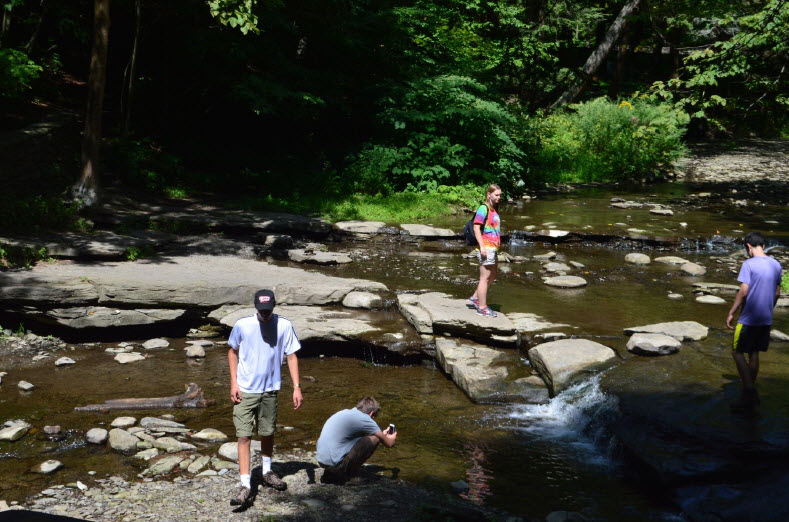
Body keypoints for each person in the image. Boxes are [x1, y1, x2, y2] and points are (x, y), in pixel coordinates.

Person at [228, 289, 303, 507]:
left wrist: (296, 387)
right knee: (244, 435)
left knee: (268, 432)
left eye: (268, 311)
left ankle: (267, 472)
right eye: (261, 311)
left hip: (270, 389)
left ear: (273, 306)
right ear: (255, 308)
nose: (265, 315)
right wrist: (233, 383)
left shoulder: (285, 325)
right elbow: (232, 351)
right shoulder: (243, 325)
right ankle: (245, 485)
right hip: (245, 388)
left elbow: (291, 355)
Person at [726, 232, 783, 410]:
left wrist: (731, 312)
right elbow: (777, 293)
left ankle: (749, 391)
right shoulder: (776, 264)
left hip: (748, 318)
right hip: (765, 318)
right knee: (754, 353)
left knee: (736, 352)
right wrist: (768, 309)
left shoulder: (748, 264)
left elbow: (743, 291)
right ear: (763, 246)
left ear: (749, 246)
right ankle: (748, 394)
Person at [316, 396, 397, 484]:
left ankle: (329, 473)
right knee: (376, 438)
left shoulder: (344, 412)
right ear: (371, 413)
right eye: (375, 416)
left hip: (321, 460)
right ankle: (350, 476)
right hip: (336, 464)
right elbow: (389, 444)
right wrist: (392, 437)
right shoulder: (366, 419)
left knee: (368, 437)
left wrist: (382, 434)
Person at [467, 184, 502, 318]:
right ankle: (482, 308)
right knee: (484, 278)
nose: (499, 197)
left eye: (500, 195)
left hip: (493, 247)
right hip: (486, 247)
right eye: (496, 195)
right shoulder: (483, 208)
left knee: (493, 275)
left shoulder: (494, 209)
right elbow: (476, 228)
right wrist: (482, 247)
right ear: (489, 194)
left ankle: (475, 298)